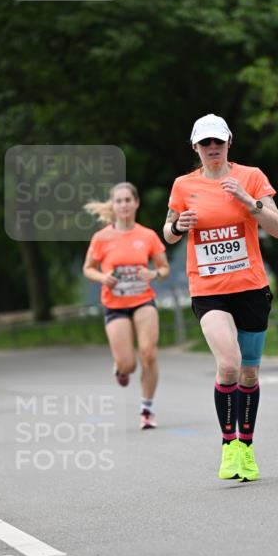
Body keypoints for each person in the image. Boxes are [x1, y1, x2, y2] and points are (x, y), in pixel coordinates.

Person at [163, 113, 278, 481]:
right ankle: (228, 444)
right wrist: (177, 226)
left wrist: (249, 201)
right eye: (206, 143)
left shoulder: (252, 177)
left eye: (218, 141)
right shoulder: (183, 185)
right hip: (209, 290)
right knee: (229, 364)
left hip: (251, 288)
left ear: (229, 143)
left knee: (249, 372)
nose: (212, 148)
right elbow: (167, 231)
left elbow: (277, 228)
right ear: (195, 147)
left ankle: (246, 446)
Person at [83, 182, 170, 430]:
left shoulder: (147, 236)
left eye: (128, 200)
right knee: (128, 364)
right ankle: (121, 368)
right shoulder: (101, 238)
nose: (124, 205)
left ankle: (147, 410)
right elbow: (88, 268)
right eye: (119, 201)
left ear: (136, 203)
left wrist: (153, 274)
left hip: (143, 300)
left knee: (149, 353)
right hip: (115, 305)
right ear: (113, 206)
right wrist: (103, 278)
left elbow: (164, 268)